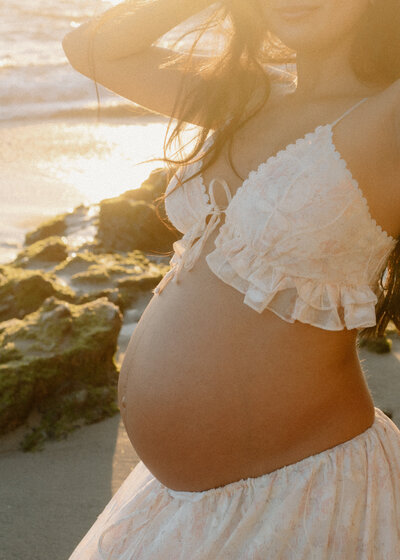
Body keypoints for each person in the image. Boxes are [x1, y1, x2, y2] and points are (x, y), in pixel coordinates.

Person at [63, 0, 400, 557]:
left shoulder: (387, 119)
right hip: (181, 507)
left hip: (304, 498)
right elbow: (91, 47)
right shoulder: (247, 100)